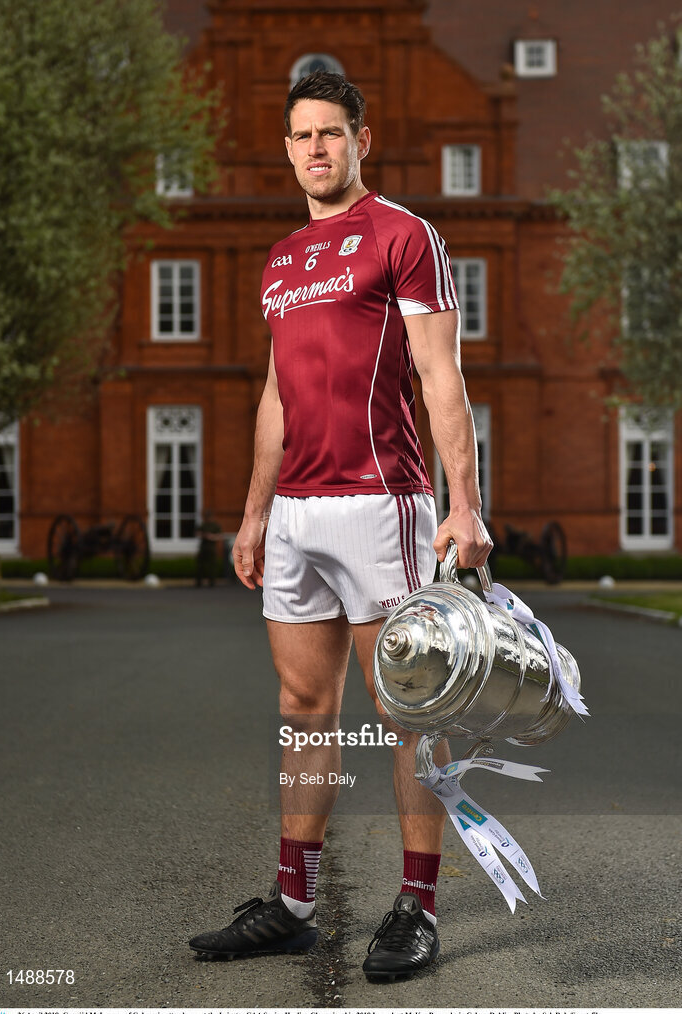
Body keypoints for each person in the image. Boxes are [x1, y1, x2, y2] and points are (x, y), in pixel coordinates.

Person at [188, 71, 492, 982]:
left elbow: (442, 377)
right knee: (302, 710)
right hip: (294, 516)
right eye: (301, 136)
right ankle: (289, 903)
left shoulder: (405, 236)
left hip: (381, 502)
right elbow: (277, 396)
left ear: (362, 139)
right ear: (286, 149)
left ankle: (416, 908)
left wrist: (464, 502)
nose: (316, 148)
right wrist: (251, 514)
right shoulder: (281, 259)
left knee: (407, 710)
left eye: (331, 133)